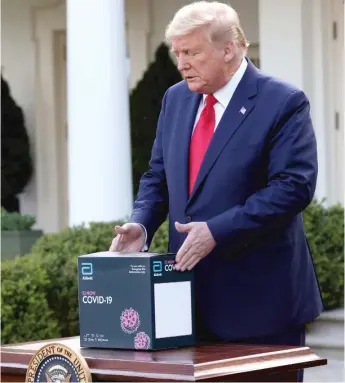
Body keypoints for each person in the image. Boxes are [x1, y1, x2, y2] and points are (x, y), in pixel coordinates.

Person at [110, 2, 323, 381]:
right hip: (184, 308)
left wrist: (217, 231)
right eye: (177, 52)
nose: (181, 63)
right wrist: (140, 226)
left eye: (191, 52)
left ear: (229, 49)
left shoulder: (283, 103)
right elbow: (158, 176)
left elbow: (293, 188)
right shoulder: (175, 99)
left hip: (260, 312)